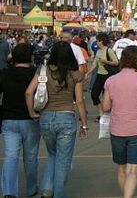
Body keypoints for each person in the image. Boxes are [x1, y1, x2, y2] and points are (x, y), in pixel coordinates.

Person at [25, 41, 89, 198]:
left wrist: (32, 112)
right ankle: (58, 193)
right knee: (63, 159)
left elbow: (28, 92)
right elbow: (79, 101)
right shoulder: (75, 74)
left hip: (46, 117)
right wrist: (84, 124)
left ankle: (47, 188)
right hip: (67, 117)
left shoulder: (43, 70)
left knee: (52, 155)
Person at [102, 46, 137, 198]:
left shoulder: (111, 81)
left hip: (117, 129)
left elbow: (106, 106)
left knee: (122, 168)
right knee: (133, 170)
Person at [1, 44, 39, 197]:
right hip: (31, 119)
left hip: (9, 118)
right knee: (30, 157)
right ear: (30, 57)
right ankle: (31, 188)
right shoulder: (35, 74)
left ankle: (9, 191)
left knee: (10, 156)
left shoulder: (4, 73)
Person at [85, 33, 119, 122]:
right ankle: (101, 112)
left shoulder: (109, 51)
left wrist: (106, 61)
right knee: (94, 94)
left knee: (106, 97)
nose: (96, 42)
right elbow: (94, 64)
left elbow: (116, 62)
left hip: (108, 76)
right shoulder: (99, 51)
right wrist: (88, 73)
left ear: (101, 41)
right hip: (100, 75)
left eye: (97, 40)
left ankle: (105, 115)